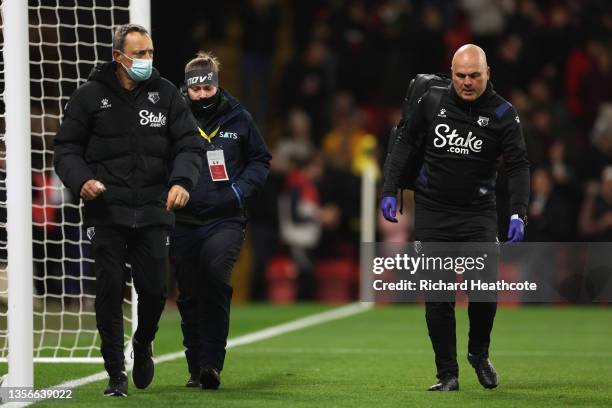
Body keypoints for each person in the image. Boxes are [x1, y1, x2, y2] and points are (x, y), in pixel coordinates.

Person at [53, 24, 203, 397]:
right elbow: (66, 149)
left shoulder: (167, 95)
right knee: (108, 291)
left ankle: (143, 341)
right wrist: (82, 180)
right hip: (106, 210)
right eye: (139, 54)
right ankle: (115, 374)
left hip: (154, 207)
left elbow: (188, 145)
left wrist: (182, 182)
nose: (147, 60)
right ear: (118, 57)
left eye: (150, 53)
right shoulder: (89, 96)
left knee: (154, 291)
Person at [381, 44, 530, 391]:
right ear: (452, 73)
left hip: (478, 214)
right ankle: (447, 374)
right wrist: (389, 189)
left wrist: (519, 212)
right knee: (438, 297)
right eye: (460, 75)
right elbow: (404, 142)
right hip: (433, 212)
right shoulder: (432, 100)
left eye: (474, 75)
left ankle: (478, 352)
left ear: (487, 73)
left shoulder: (504, 114)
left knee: (483, 293)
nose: (466, 82)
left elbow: (519, 165)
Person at [172, 51, 271, 389]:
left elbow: (260, 159)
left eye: (207, 90)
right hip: (182, 219)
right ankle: (194, 366)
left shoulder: (239, 118)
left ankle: (212, 364)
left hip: (225, 219)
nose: (201, 96)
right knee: (188, 293)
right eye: (195, 91)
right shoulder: (174, 117)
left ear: (217, 86)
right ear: (187, 89)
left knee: (214, 278)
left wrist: (237, 193)